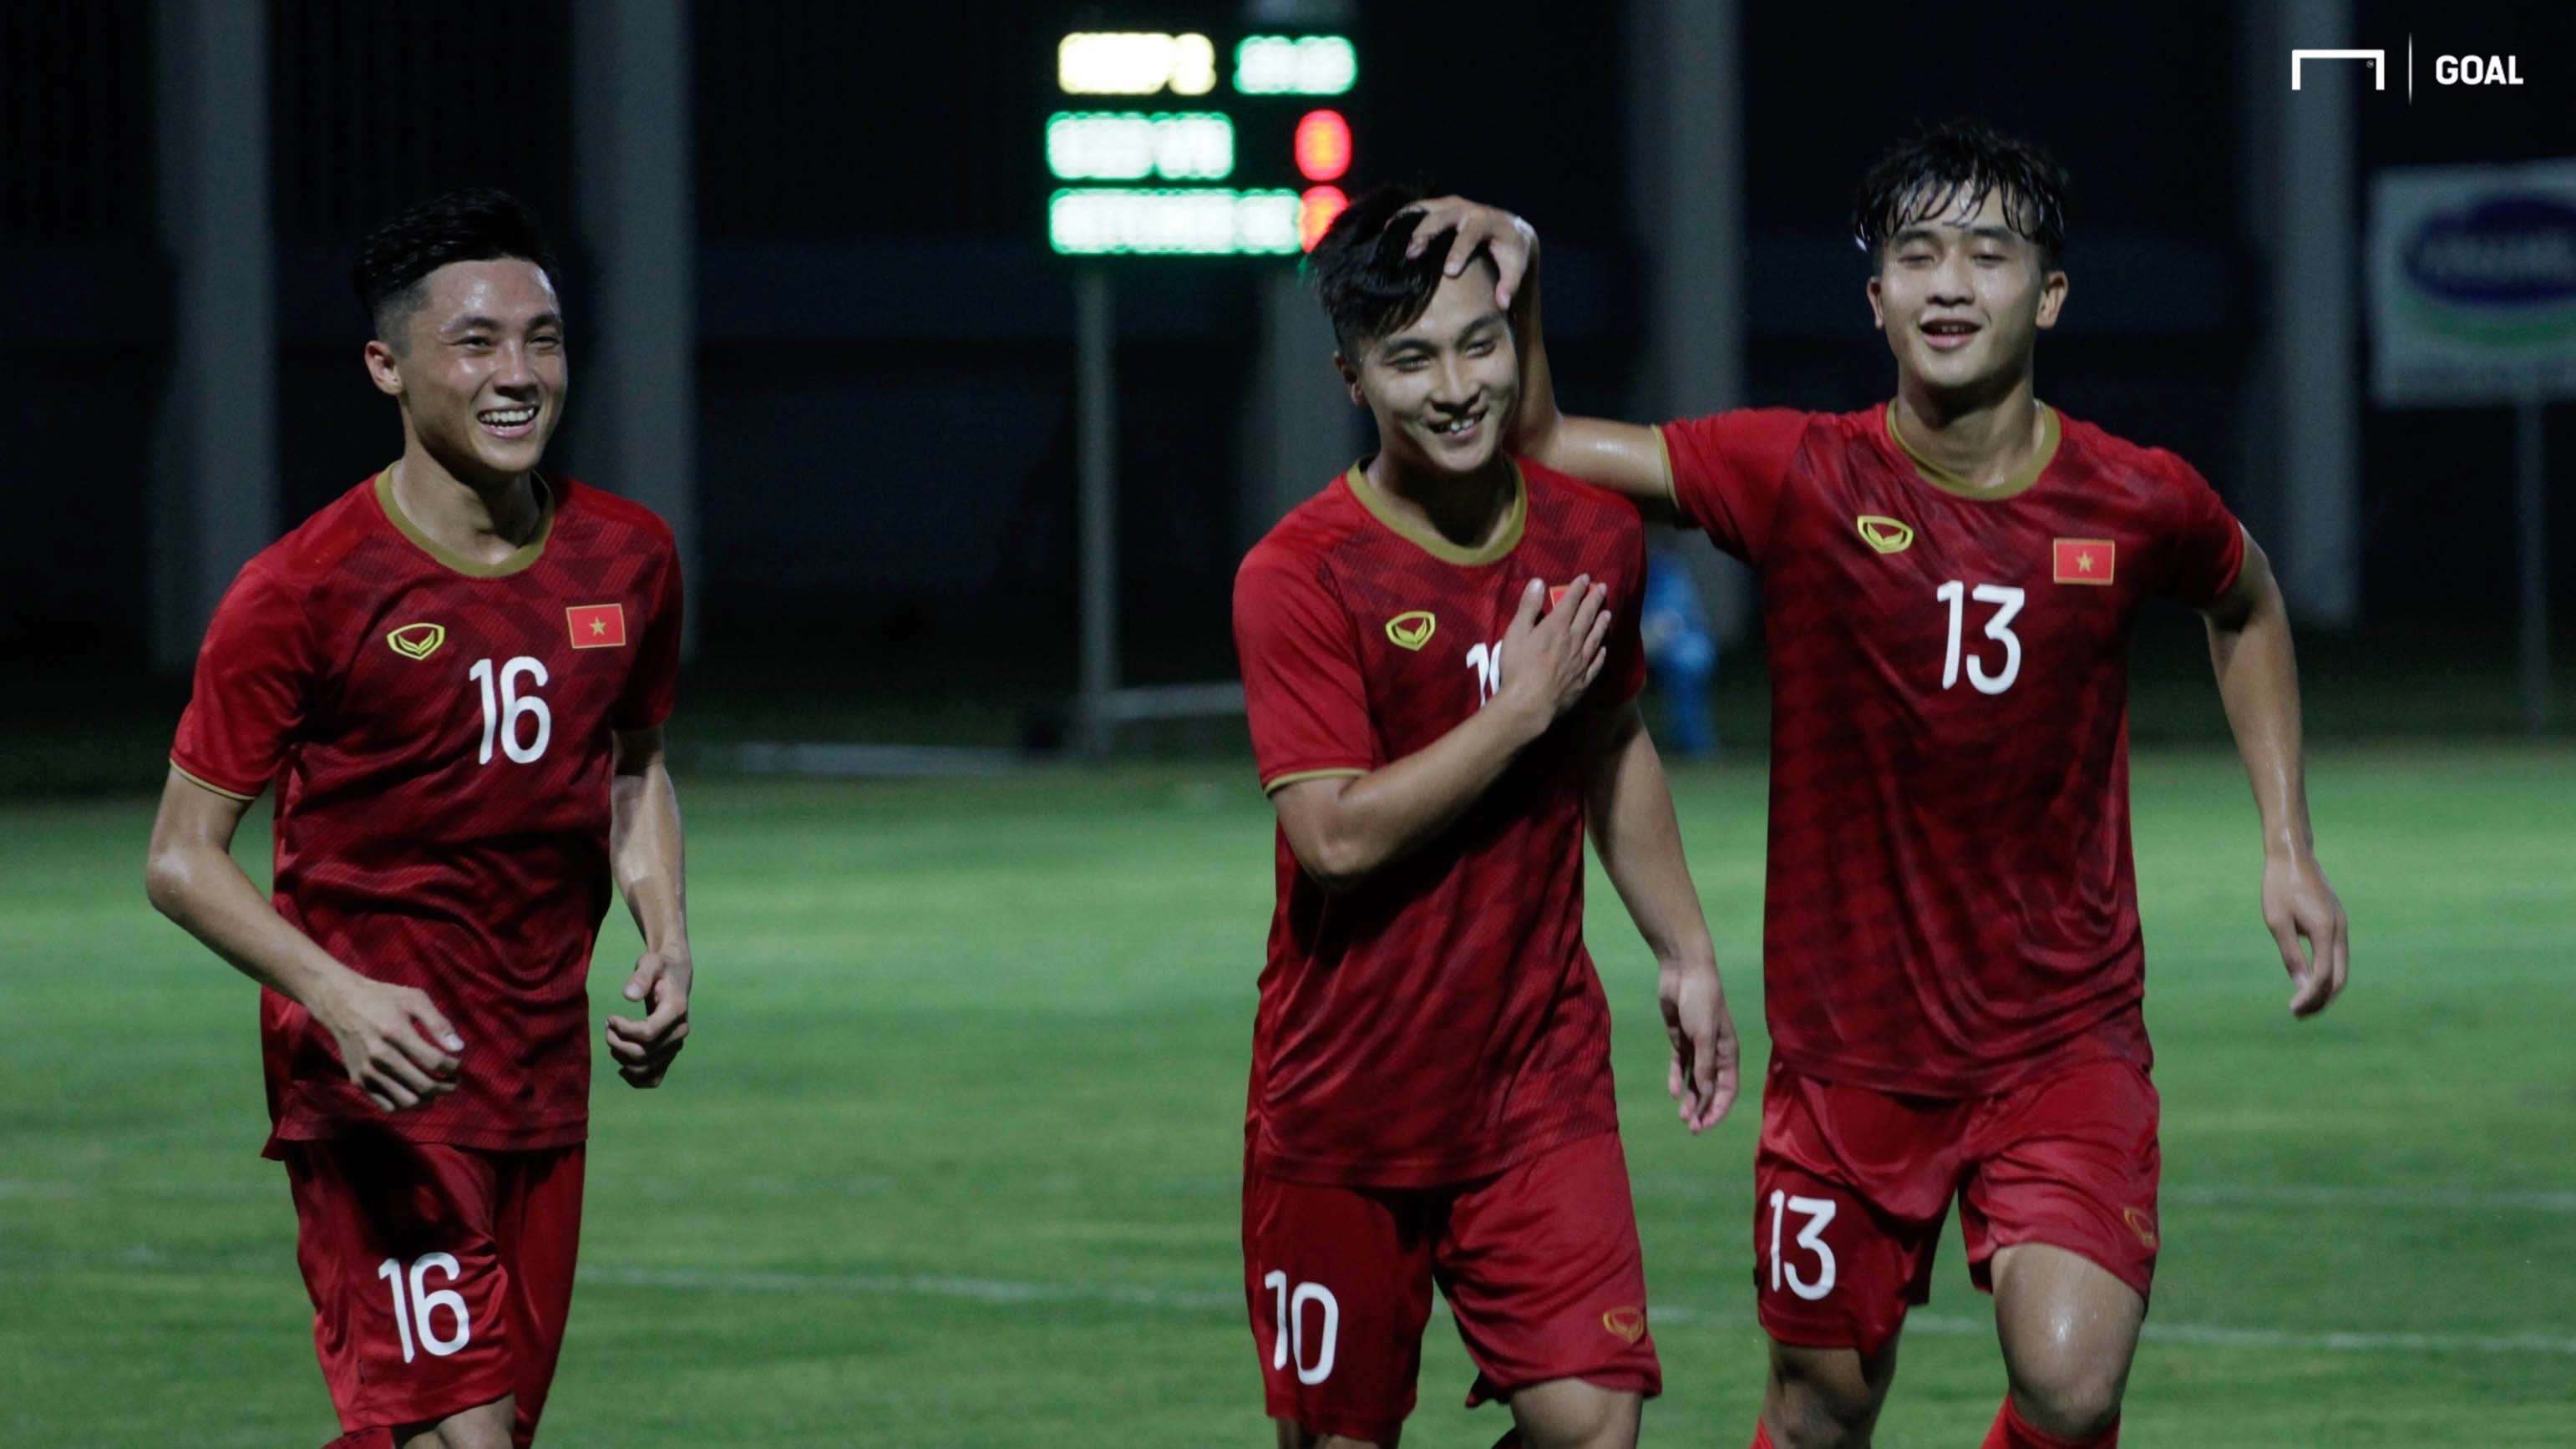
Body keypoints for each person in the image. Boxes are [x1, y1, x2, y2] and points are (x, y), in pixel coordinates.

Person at [1406, 120, 2350, 1449]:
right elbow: (1550, 444)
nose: (1950, 284)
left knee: (2072, 1383)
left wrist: (2287, 843)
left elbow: (2245, 601)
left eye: (1988, 255)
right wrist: (1528, 272)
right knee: (1819, 1410)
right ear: (1876, 298)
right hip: (1849, 1063)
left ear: (2051, 293)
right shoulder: (1801, 474)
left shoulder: (2135, 498)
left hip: (2060, 1041)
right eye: (1917, 256)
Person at [144, 189, 692, 1449]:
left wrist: (664, 932)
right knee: (466, 1440)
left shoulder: (629, 556)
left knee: (423, 1434)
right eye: (479, 342)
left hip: (541, 1073)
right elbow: (180, 858)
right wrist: (335, 997)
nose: (520, 376)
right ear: (389, 366)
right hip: (374, 1088)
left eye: (543, 340)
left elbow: (634, 766)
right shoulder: (301, 590)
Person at [1231, 184, 1742, 1449]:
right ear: (1353, 378)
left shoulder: (1593, 537)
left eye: (1479, 344)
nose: (1455, 386)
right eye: (1410, 358)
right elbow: (1334, 839)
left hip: (1535, 1082)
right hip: (1348, 1100)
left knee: (1593, 1424)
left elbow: (1612, 741)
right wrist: (1513, 715)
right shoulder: (1300, 576)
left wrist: (1685, 952)